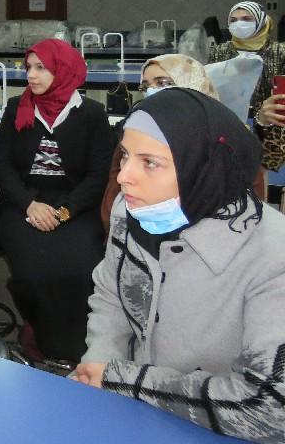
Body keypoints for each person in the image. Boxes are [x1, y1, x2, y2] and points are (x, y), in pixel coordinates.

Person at [75, 89, 285, 441]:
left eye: (150, 162)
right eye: (125, 156)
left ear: (202, 167)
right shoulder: (132, 212)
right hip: (134, 408)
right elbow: (110, 296)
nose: (124, 176)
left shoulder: (274, 253)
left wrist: (120, 378)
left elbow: (269, 407)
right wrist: (98, 368)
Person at [0, 39, 112, 361]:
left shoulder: (91, 114)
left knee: (81, 267)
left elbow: (98, 175)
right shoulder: (17, 107)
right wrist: (29, 204)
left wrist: (65, 212)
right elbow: (2, 166)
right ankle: (37, 333)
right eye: (28, 67)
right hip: (23, 202)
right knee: (31, 271)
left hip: (75, 205)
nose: (31, 75)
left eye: (41, 68)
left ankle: (76, 344)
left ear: (63, 71)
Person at [100, 54, 229, 233]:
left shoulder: (223, 136)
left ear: (191, 81)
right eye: (145, 86)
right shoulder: (135, 128)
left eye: (162, 83)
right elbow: (115, 183)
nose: (152, 91)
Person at [209, 1, 285, 171]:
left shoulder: (280, 52)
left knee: (258, 174)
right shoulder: (219, 51)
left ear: (261, 21)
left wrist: (263, 116)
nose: (239, 24)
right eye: (233, 20)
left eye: (247, 19)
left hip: (269, 128)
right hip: (228, 124)